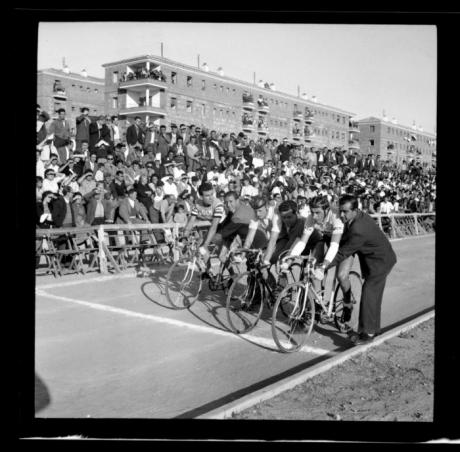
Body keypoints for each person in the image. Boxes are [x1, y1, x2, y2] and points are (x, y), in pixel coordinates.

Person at [325, 194, 397, 345]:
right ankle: (374, 328)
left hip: (380, 262)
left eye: (345, 212)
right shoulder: (358, 217)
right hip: (380, 259)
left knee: (369, 295)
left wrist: (324, 265)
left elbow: (344, 252)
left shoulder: (358, 228)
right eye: (341, 211)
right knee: (374, 296)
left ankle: (367, 334)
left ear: (355, 210)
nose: (342, 215)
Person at [182, 181, 226, 261]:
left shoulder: (218, 204)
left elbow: (214, 226)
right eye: (207, 195)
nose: (211, 197)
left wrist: (206, 245)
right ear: (201, 197)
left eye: (211, 194)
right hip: (212, 225)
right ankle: (208, 272)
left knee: (221, 255)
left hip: (223, 226)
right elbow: (191, 221)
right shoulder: (197, 203)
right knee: (202, 248)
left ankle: (232, 272)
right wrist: (184, 236)